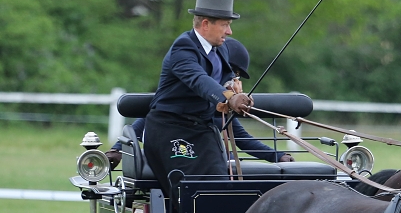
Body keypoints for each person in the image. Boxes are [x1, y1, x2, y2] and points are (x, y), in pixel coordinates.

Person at [142, 0, 289, 194]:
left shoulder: (220, 49)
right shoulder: (183, 48)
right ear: (205, 24)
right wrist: (229, 97)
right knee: (192, 190)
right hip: (171, 130)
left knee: (219, 184)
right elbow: (200, 80)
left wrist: (237, 92)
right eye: (225, 24)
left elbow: (227, 80)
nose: (229, 31)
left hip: (202, 130)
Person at [107, 37, 292, 169]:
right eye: (233, 73)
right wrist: (117, 149)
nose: (235, 81)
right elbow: (144, 123)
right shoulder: (185, 99)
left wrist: (278, 156)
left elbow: (243, 139)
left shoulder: (219, 109)